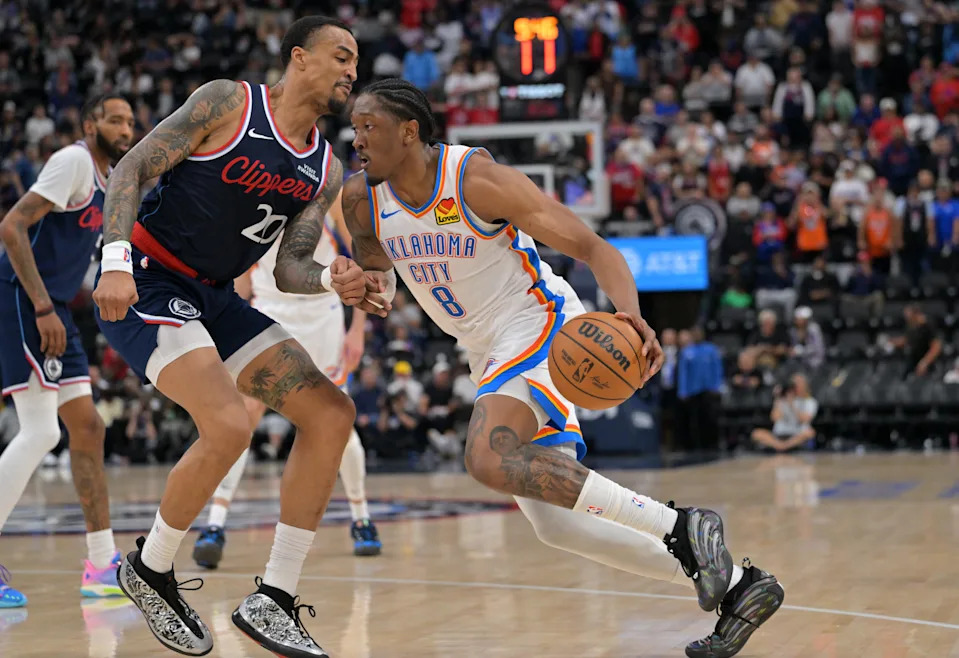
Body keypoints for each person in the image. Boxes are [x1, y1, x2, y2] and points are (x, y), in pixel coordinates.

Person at [340, 78, 784, 657]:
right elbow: (378, 277)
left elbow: (594, 247)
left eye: (367, 127)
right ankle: (737, 588)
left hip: (536, 323)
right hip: (482, 347)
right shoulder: (360, 198)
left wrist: (631, 318)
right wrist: (361, 287)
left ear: (409, 131)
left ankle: (683, 525)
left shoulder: (476, 181)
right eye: (354, 129)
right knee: (559, 525)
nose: (357, 141)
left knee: (486, 454)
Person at [91, 17, 385, 657]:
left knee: (332, 414)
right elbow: (131, 170)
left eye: (356, 63)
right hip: (147, 275)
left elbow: (288, 268)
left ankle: (273, 599)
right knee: (228, 425)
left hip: (217, 297)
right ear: (300, 58)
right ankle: (151, 567)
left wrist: (337, 280)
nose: (352, 73)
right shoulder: (228, 102)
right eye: (342, 57)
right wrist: (113, 258)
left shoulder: (325, 166)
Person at [192, 197, 382, 567]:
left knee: (335, 416)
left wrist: (358, 327)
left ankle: (361, 517)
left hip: (321, 313)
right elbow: (243, 278)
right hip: (269, 311)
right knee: (243, 415)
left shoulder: (331, 188)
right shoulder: (252, 191)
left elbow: (361, 257)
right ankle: (215, 523)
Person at [0, 94, 134, 607]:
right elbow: (12, 226)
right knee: (40, 430)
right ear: (90, 124)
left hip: (55, 307)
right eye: (115, 119)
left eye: (129, 120)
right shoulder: (74, 161)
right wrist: (39, 306)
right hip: (24, 299)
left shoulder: (113, 180)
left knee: (89, 426)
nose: (125, 128)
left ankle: (101, 565)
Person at [751, 373, 818, 452]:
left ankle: (782, 446)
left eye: (799, 383)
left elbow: (804, 419)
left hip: (797, 435)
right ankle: (782, 446)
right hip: (780, 434)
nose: (796, 386)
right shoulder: (781, 400)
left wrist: (792, 405)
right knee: (756, 433)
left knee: (810, 433)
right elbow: (775, 418)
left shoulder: (810, 402)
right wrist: (777, 398)